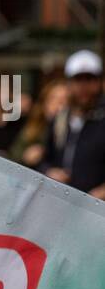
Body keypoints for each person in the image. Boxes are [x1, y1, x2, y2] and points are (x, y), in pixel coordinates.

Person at [41, 50, 105, 199]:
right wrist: (49, 172)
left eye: (89, 79)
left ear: (99, 82)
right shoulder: (59, 119)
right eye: (78, 79)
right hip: (62, 204)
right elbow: (45, 159)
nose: (83, 86)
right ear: (69, 83)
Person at [9, 78, 68, 168]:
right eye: (53, 99)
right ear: (44, 103)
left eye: (64, 100)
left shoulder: (73, 132)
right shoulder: (33, 128)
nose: (58, 104)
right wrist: (25, 158)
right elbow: (13, 157)